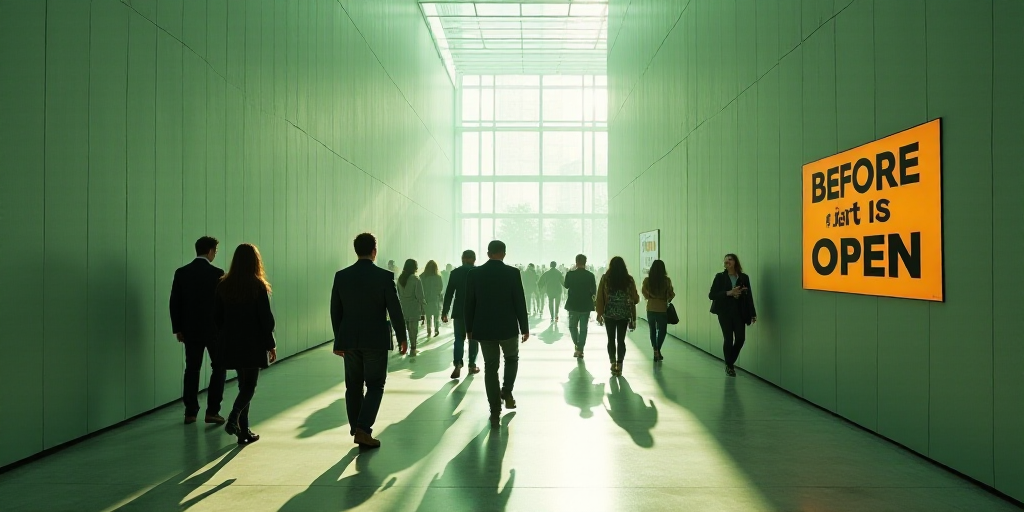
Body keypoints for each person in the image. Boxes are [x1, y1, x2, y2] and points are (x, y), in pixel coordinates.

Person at [331, 233, 408, 448]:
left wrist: (339, 340)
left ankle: (357, 427)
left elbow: (335, 310)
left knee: (353, 386)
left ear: (356, 250)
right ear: (374, 250)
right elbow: (395, 309)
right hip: (375, 340)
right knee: (375, 384)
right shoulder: (384, 277)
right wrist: (402, 337)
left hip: (350, 339)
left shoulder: (341, 276)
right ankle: (363, 429)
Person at [214, 243, 277, 445]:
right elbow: (266, 320)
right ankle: (234, 419)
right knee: (249, 386)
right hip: (253, 343)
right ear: (255, 261)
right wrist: (270, 344)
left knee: (244, 385)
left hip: (231, 342)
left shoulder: (223, 285)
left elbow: (217, 318)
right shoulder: (257, 286)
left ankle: (243, 432)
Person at [465, 240, 529, 427]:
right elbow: (519, 301)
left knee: (490, 367)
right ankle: (507, 391)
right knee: (511, 359)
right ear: (504, 253)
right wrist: (524, 327)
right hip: (508, 327)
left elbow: (469, 304)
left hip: (485, 329)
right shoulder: (512, 273)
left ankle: (495, 410)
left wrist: (469, 328)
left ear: (488, 253)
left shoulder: (474, 274)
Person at [170, 236, 227, 425]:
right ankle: (212, 411)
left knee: (192, 369)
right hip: (214, 330)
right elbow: (223, 304)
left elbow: (174, 303)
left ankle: (190, 412)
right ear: (210, 251)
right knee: (218, 368)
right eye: (215, 251)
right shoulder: (218, 274)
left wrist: (178, 328)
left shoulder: (182, 272)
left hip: (190, 330)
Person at [708, 253, 757, 377]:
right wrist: (729, 293)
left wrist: (753, 313)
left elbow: (749, 296)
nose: (727, 261)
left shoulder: (743, 277)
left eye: (730, 259)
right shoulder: (720, 277)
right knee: (728, 339)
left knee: (740, 339)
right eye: (725, 259)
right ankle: (730, 367)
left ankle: (729, 363)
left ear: (735, 262)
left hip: (740, 312)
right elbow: (712, 295)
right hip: (724, 312)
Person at [596, 256, 639, 376]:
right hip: (624, 314)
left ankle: (612, 362)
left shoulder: (606, 279)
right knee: (621, 340)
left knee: (610, 339)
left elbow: (600, 296)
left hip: (609, 314)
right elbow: (635, 299)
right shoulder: (629, 280)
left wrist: (599, 313)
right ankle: (619, 364)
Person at [442, 250, 480, 379]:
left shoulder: (455, 273)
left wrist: (444, 311)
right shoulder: (478, 272)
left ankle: (458, 363)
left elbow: (449, 294)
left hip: (459, 312)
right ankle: (472, 365)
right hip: (475, 312)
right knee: (473, 340)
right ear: (474, 259)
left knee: (459, 338)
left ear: (462, 258)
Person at [563, 254, 597, 359]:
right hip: (585, 306)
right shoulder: (590, 275)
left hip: (573, 305)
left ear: (576, 262)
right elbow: (593, 291)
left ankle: (577, 345)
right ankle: (580, 349)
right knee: (583, 329)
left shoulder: (570, 274)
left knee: (572, 327)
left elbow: (566, 285)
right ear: (585, 262)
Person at [642, 259, 676, 362]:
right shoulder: (666, 281)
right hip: (662, 309)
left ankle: (655, 350)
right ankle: (658, 349)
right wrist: (667, 298)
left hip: (651, 308)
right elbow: (671, 294)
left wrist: (652, 296)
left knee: (652, 330)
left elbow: (645, 294)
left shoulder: (647, 281)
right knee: (662, 331)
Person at [397, 259, 426, 356]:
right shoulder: (415, 279)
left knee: (407, 328)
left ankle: (403, 345)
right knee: (413, 329)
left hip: (403, 308)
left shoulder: (400, 279)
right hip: (414, 307)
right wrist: (423, 310)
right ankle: (413, 348)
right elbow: (420, 296)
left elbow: (398, 294)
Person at [421, 261, 444, 337]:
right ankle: (436, 329)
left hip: (426, 299)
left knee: (428, 316)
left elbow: (420, 288)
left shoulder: (422, 276)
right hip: (435, 299)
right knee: (436, 315)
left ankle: (429, 329)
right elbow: (440, 288)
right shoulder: (438, 277)